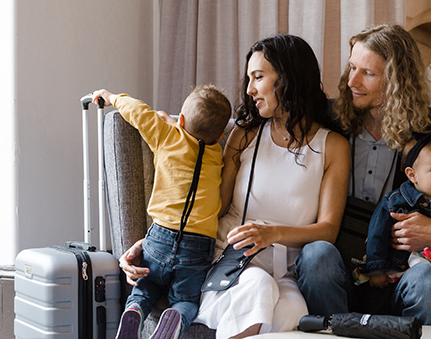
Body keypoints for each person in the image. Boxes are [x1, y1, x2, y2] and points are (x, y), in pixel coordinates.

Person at [119, 34, 351, 338]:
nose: (249, 89)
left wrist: (273, 233)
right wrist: (150, 244)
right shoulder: (245, 136)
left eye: (258, 77)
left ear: (289, 78)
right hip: (226, 268)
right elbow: (208, 204)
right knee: (258, 285)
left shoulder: (332, 146)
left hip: (284, 276)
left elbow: (328, 229)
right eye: (249, 79)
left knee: (295, 312)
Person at [296, 24, 431, 325]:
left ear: (396, 82)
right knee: (315, 257)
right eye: (352, 67)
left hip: (400, 273)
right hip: (337, 267)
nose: (352, 81)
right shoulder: (325, 118)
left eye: (368, 73)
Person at [92, 85, 231, 338]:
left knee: (145, 288)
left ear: (181, 120)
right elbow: (196, 143)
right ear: (222, 134)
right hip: (198, 246)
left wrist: (112, 97)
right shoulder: (217, 156)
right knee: (187, 300)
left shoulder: (166, 137)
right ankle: (176, 315)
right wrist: (176, 123)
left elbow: (138, 111)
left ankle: (134, 310)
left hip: (159, 239)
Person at [361, 131, 431, 289]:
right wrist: (376, 271)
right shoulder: (396, 202)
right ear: (412, 175)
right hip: (402, 274)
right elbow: (377, 235)